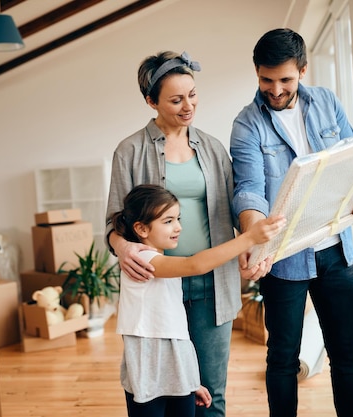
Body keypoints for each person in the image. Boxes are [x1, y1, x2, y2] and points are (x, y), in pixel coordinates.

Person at [229, 28, 353, 417]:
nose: (276, 89)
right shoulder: (247, 124)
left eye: (286, 79)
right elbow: (249, 190)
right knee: (283, 358)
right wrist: (254, 234)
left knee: (345, 354)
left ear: (303, 69)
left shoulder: (327, 102)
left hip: (335, 250)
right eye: (266, 79)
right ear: (256, 72)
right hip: (283, 259)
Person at [106, 50, 243, 416]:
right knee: (165, 391)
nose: (189, 106)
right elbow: (113, 224)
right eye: (176, 99)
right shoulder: (129, 151)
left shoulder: (213, 148)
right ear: (151, 101)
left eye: (193, 95)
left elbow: (236, 209)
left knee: (211, 392)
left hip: (212, 283)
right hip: (157, 287)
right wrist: (121, 248)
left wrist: (253, 244)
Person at [111, 184, 285, 417]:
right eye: (168, 221)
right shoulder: (141, 259)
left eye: (178, 218)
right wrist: (249, 237)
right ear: (141, 228)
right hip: (148, 367)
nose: (178, 227)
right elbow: (195, 265)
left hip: (178, 368)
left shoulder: (162, 260)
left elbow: (177, 335)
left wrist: (190, 381)